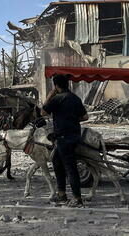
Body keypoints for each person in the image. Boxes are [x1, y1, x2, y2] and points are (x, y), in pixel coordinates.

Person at [41, 74, 89, 207]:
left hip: (63, 138)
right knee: (56, 162)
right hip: (75, 136)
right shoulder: (75, 98)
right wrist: (72, 119)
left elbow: (43, 113)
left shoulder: (57, 99)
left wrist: (50, 96)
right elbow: (85, 117)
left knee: (70, 167)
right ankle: (61, 194)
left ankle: (77, 199)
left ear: (56, 86)